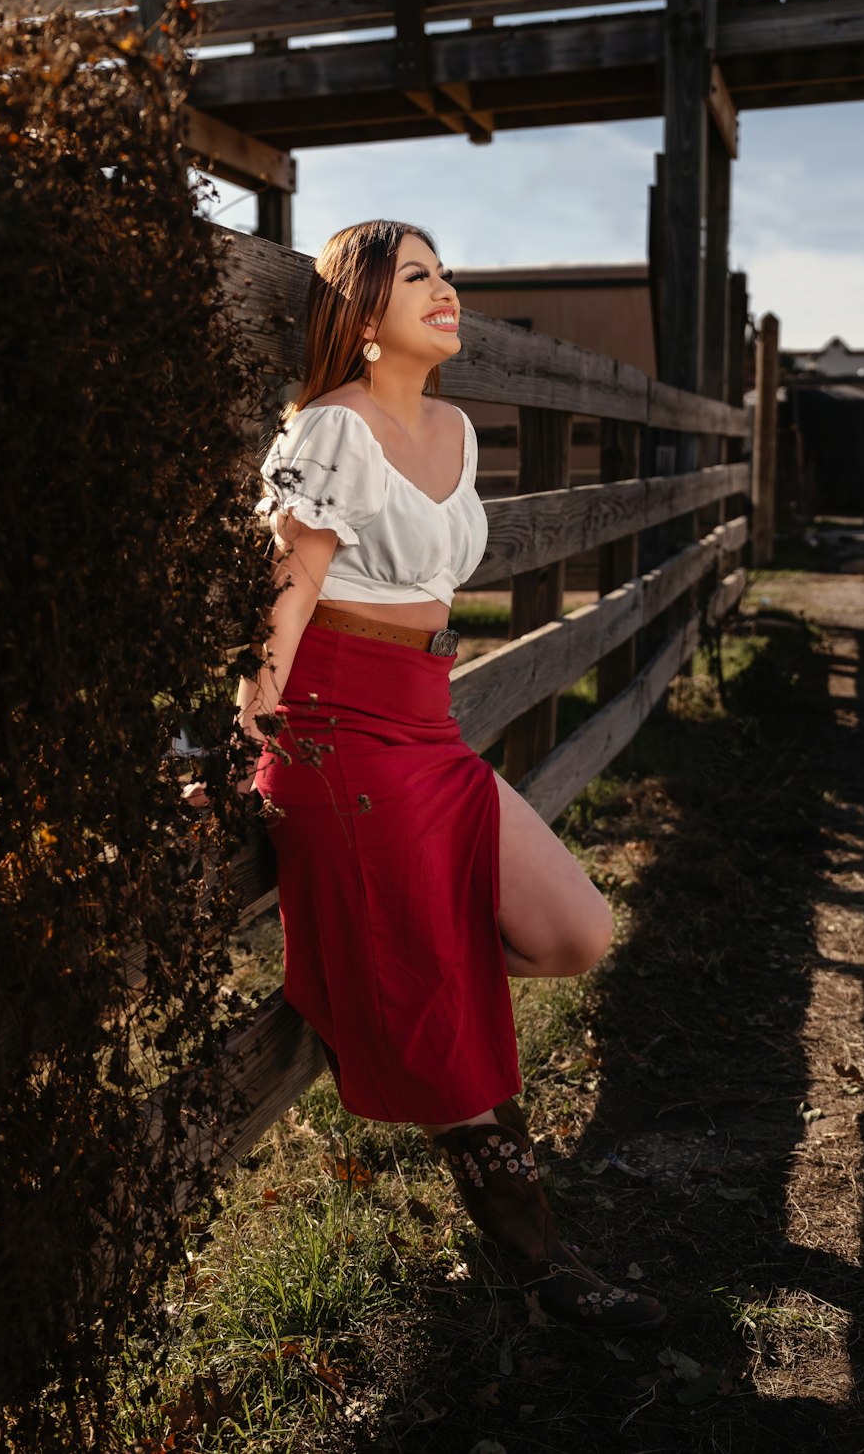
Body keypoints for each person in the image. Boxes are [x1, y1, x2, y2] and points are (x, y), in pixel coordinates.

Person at [209, 219, 664, 1332]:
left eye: (446, 272)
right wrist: (235, 737)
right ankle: (535, 1266)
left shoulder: (455, 423)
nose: (447, 290)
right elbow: (288, 598)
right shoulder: (327, 430)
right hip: (338, 734)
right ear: (362, 317)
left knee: (574, 934)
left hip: (429, 726)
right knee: (448, 1016)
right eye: (418, 277)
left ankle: (386, 987)